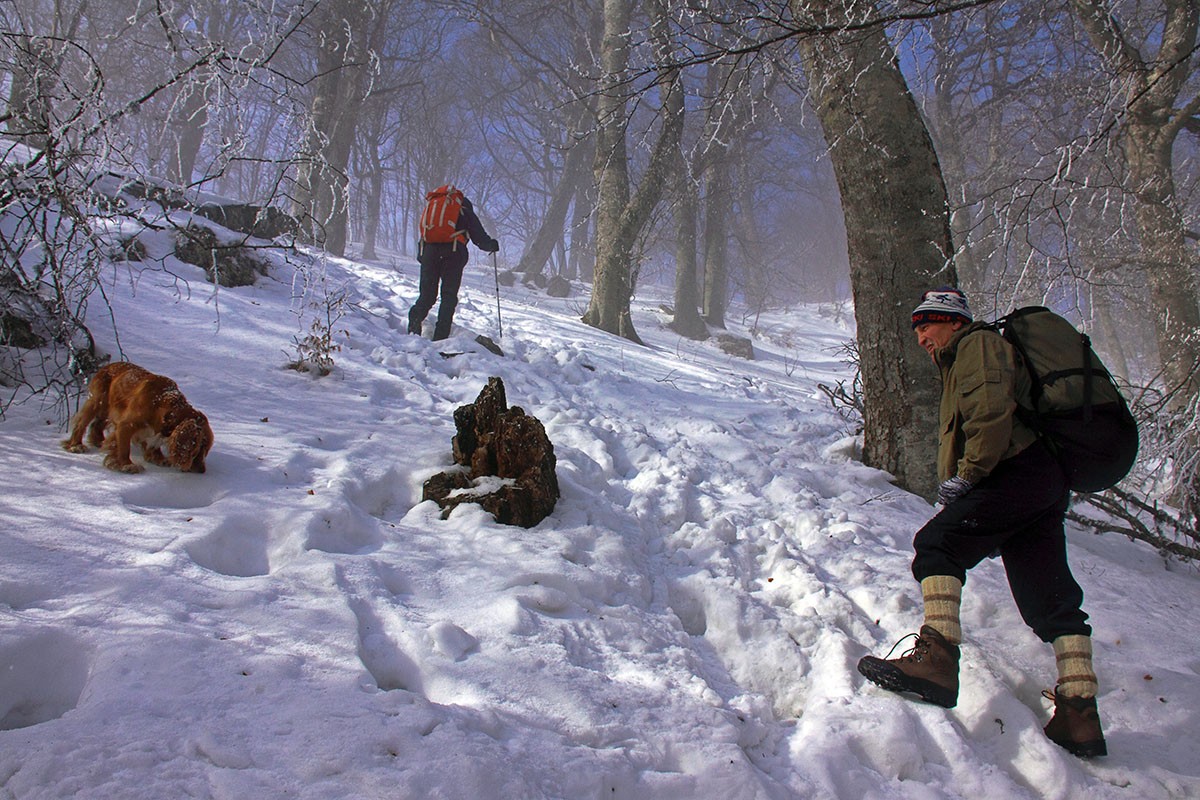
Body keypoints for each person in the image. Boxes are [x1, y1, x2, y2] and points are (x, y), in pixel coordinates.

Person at [857, 287, 1106, 759]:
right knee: (1049, 599)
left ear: (951, 319)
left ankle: (936, 659)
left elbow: (990, 413)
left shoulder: (977, 345)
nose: (921, 337)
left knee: (937, 544)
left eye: (925, 325)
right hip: (1038, 480)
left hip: (1016, 470)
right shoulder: (966, 355)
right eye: (916, 330)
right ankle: (1079, 713)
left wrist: (969, 478)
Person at [407, 186, 499, 341]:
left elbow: (424, 235)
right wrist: (492, 245)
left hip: (429, 252)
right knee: (448, 296)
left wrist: (424, 257)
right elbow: (480, 238)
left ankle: (413, 329)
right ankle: (441, 337)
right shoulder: (465, 212)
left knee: (427, 295)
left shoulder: (433, 211)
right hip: (453, 252)